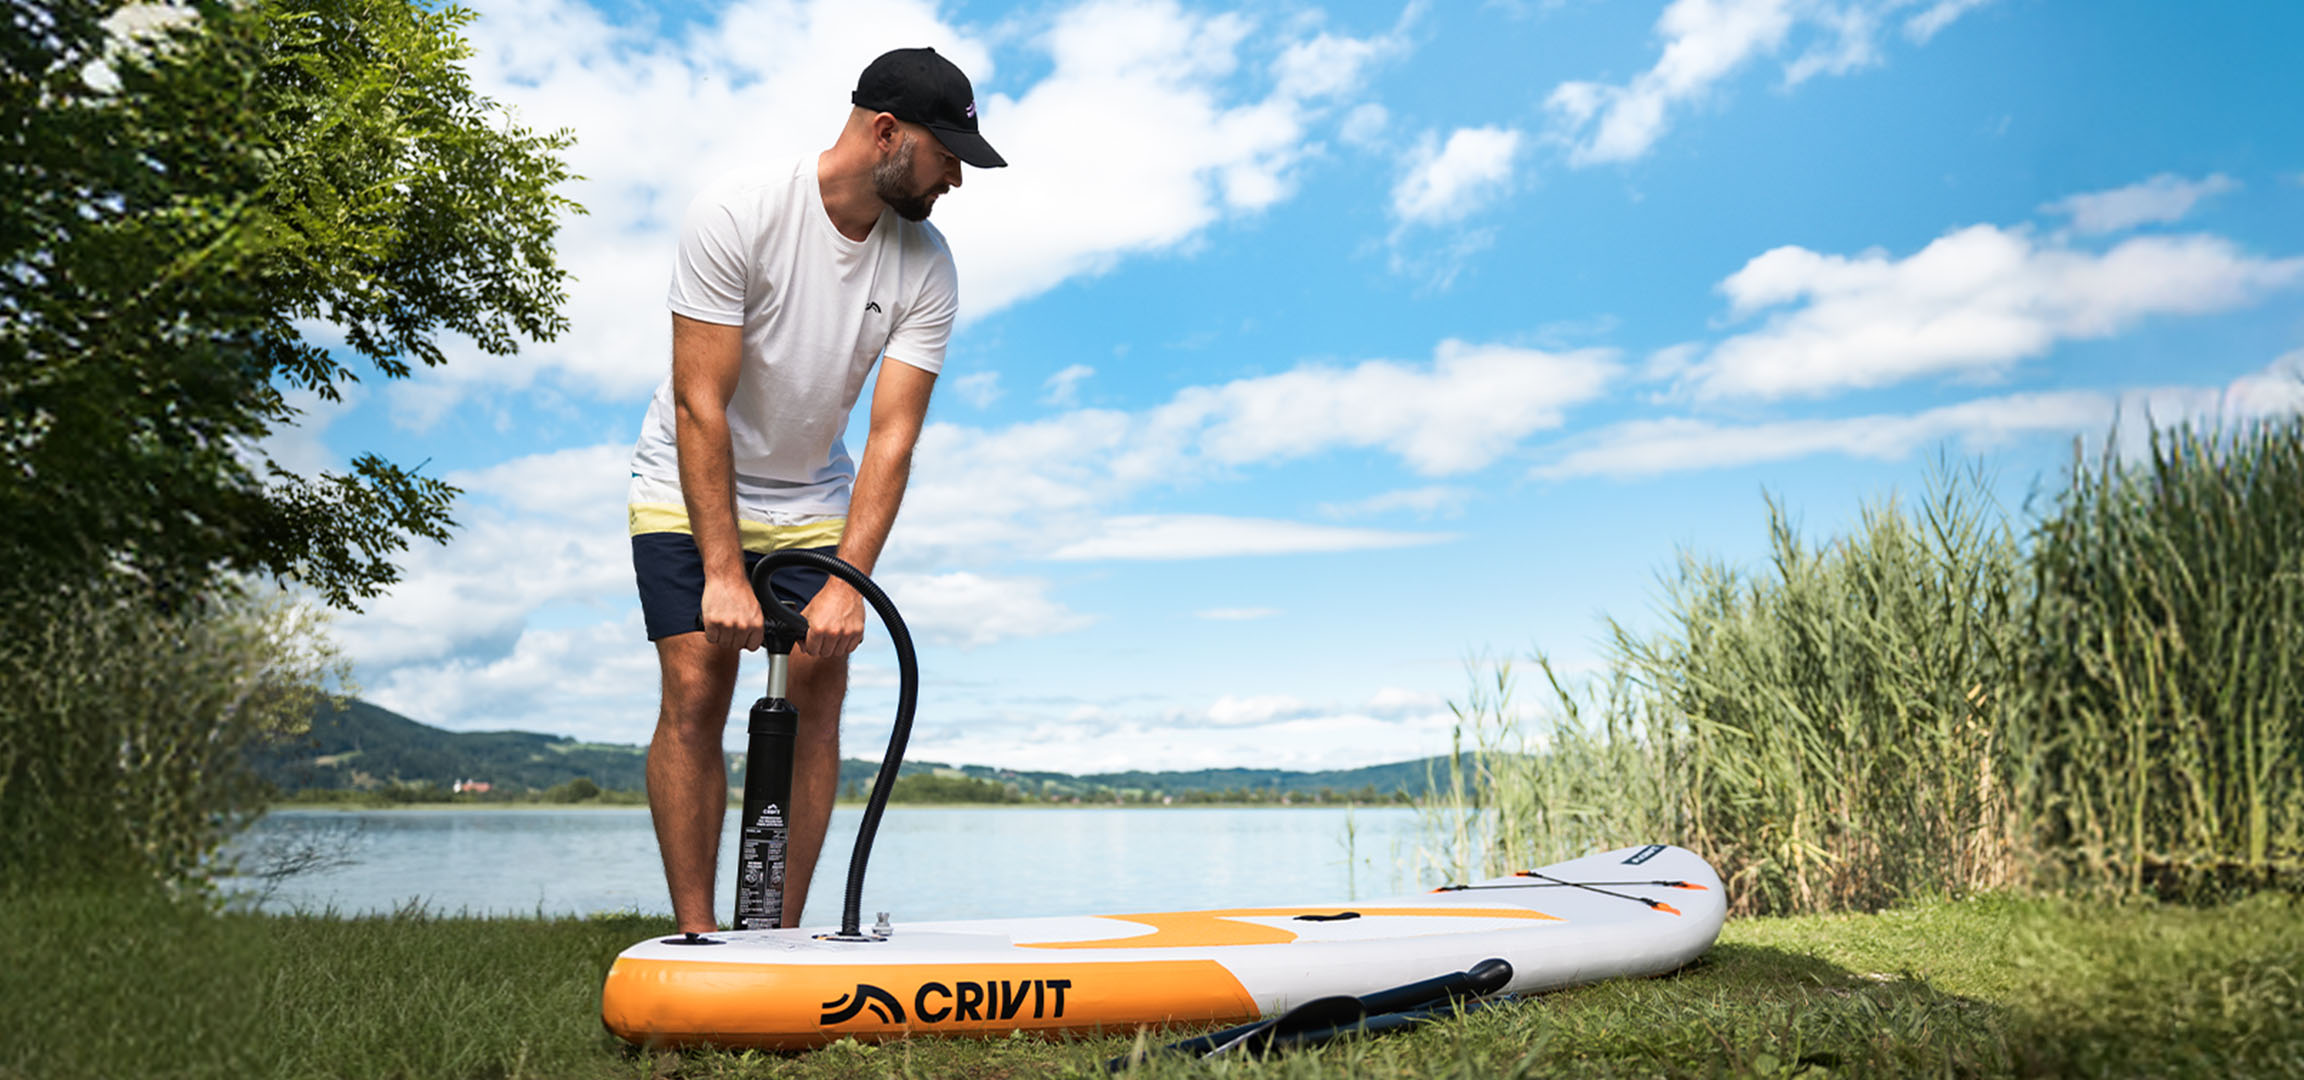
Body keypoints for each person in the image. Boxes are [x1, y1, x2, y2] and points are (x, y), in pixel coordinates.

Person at [626, 47, 1005, 933]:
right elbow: (699, 403)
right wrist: (722, 569)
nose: (956, 175)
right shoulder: (740, 212)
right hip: (686, 478)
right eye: (946, 153)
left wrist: (844, 582)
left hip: (810, 496)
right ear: (886, 132)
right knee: (696, 684)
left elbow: (891, 435)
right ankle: (698, 935)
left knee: (818, 691)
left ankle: (780, 938)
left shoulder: (928, 266)